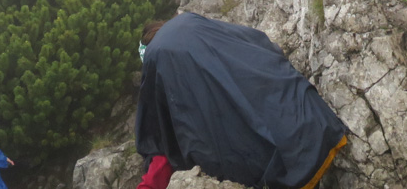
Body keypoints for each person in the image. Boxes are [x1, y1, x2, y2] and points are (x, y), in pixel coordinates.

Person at [135, 13, 348, 189]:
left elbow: (158, 134)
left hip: (276, 164)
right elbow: (250, 39)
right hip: (310, 120)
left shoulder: (157, 57)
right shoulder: (190, 22)